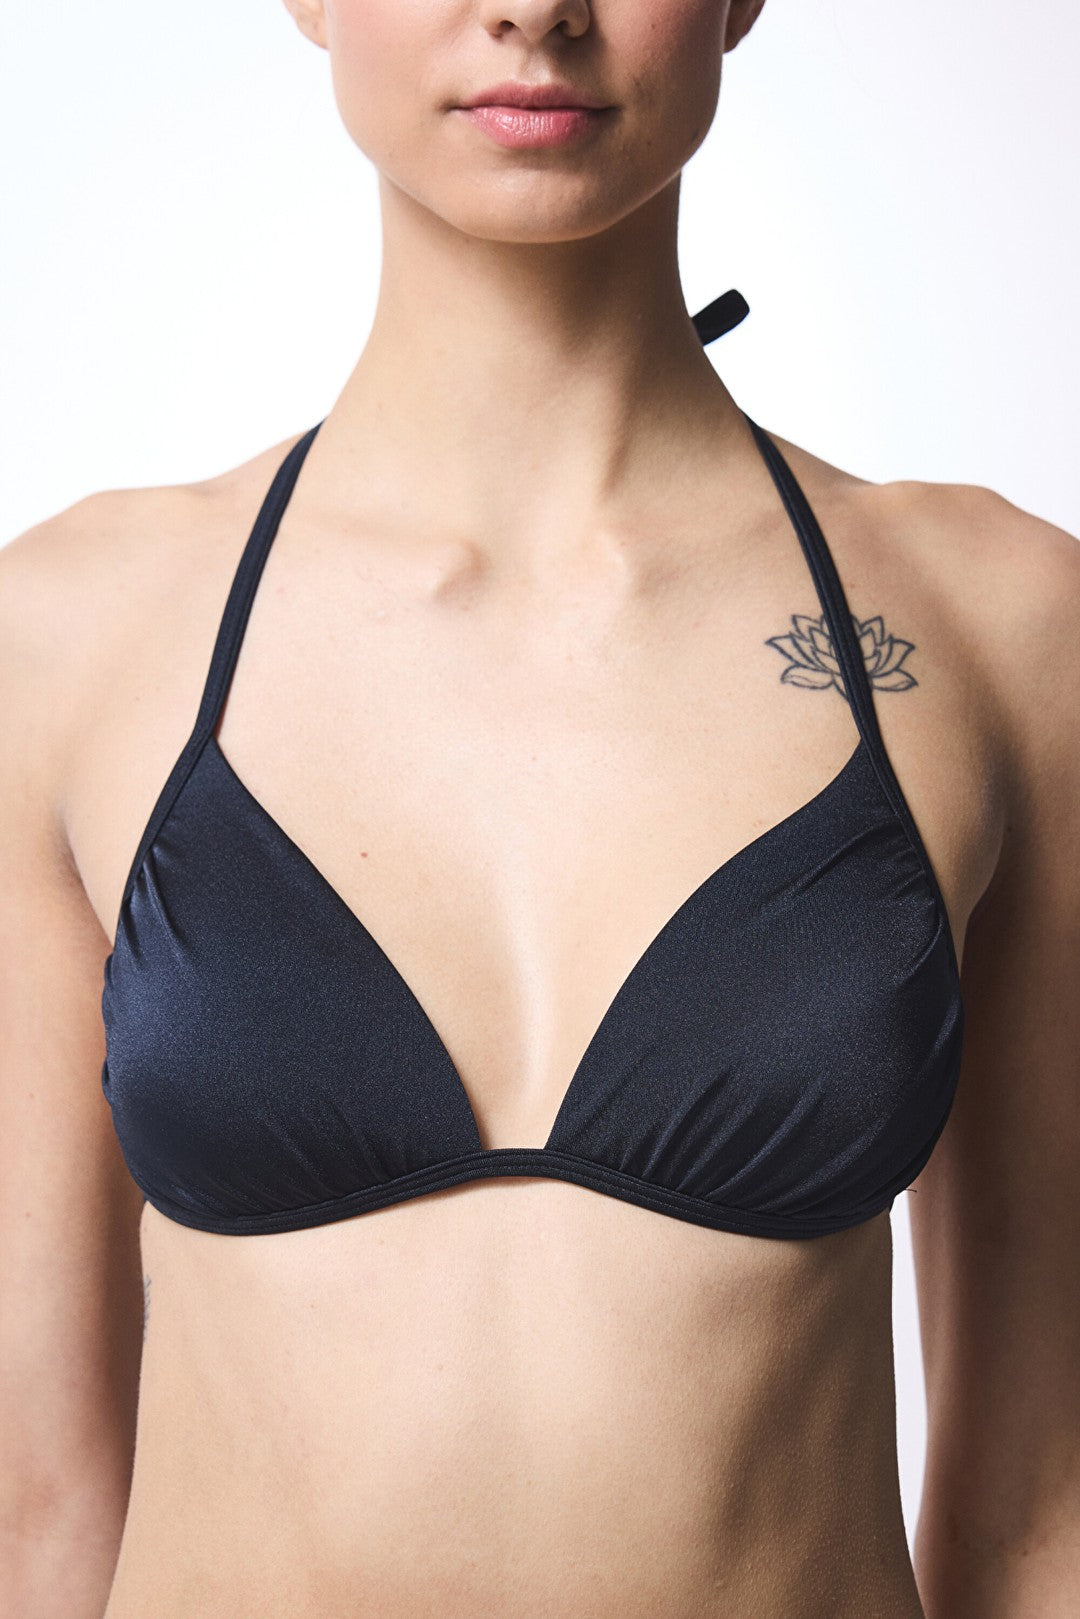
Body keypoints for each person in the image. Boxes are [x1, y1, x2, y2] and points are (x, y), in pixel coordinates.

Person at [2, 1, 1078, 1615]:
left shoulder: (999, 626)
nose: (534, 10)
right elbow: (34, 1509)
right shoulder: (71, 638)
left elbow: (1040, 1518)